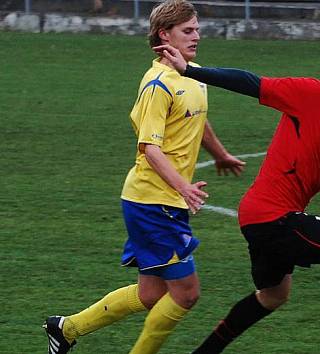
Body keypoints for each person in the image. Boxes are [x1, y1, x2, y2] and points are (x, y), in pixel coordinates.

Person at [154, 44, 320, 354]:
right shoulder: (311, 95)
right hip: (271, 215)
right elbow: (249, 82)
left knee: (273, 295)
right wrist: (190, 71)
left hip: (265, 218)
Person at [43, 1, 245, 353]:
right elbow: (149, 148)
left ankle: (67, 329)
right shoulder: (157, 85)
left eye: (196, 29)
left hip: (162, 201)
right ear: (164, 35)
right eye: (188, 31)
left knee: (152, 294)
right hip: (153, 201)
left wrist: (221, 154)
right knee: (187, 293)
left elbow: (196, 118)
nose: (197, 36)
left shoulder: (192, 74)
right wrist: (183, 185)